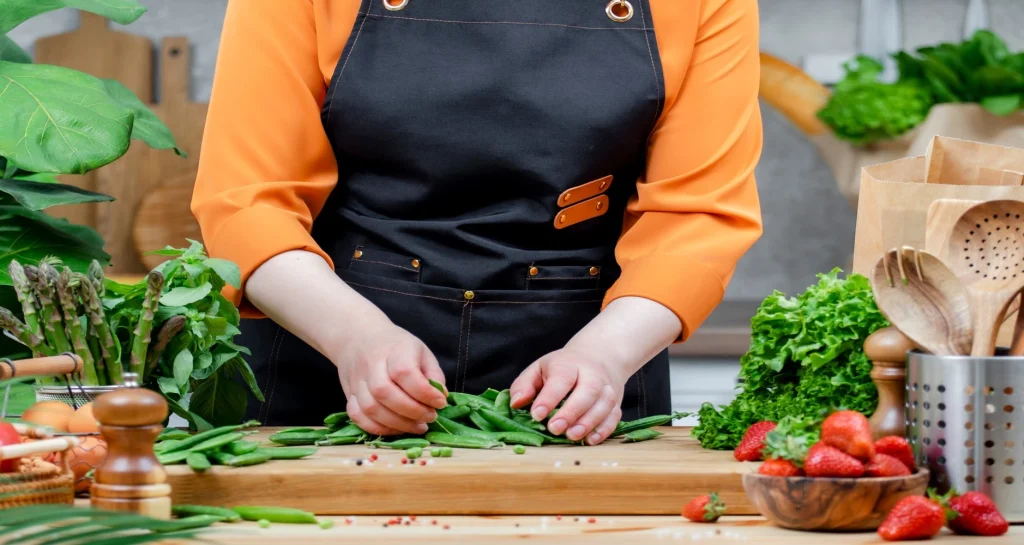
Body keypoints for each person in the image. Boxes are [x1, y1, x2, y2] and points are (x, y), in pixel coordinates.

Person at [191, 0, 763, 445]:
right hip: (324, 354)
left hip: (580, 374)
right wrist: (356, 338)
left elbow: (697, 216)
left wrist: (605, 356)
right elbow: (248, 201)